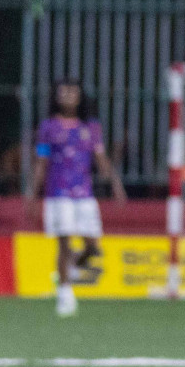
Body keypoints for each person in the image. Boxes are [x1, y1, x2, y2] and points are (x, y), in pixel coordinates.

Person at [28, 81, 126, 317]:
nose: (69, 96)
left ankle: (69, 271)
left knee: (93, 246)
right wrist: (32, 193)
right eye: (64, 92)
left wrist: (114, 183)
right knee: (65, 243)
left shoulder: (91, 127)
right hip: (58, 193)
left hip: (84, 193)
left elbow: (100, 159)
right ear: (57, 97)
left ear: (80, 98)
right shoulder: (49, 127)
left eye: (73, 93)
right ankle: (65, 293)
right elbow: (42, 161)